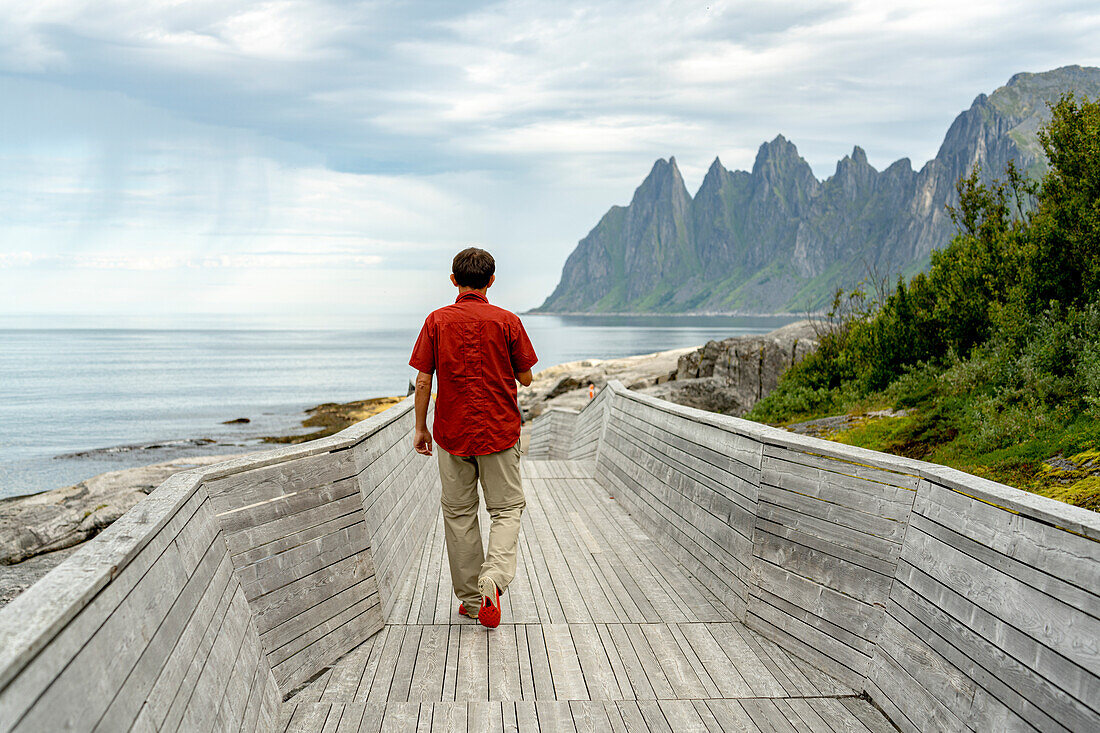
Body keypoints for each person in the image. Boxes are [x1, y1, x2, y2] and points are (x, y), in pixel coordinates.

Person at [408, 247, 538, 628]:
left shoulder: (436, 321)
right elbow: (526, 376)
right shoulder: (507, 321)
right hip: (499, 431)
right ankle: (493, 580)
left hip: (451, 433)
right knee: (507, 509)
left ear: (453, 280)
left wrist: (420, 428)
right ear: (491, 281)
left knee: (460, 515)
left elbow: (422, 379)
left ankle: (469, 601)